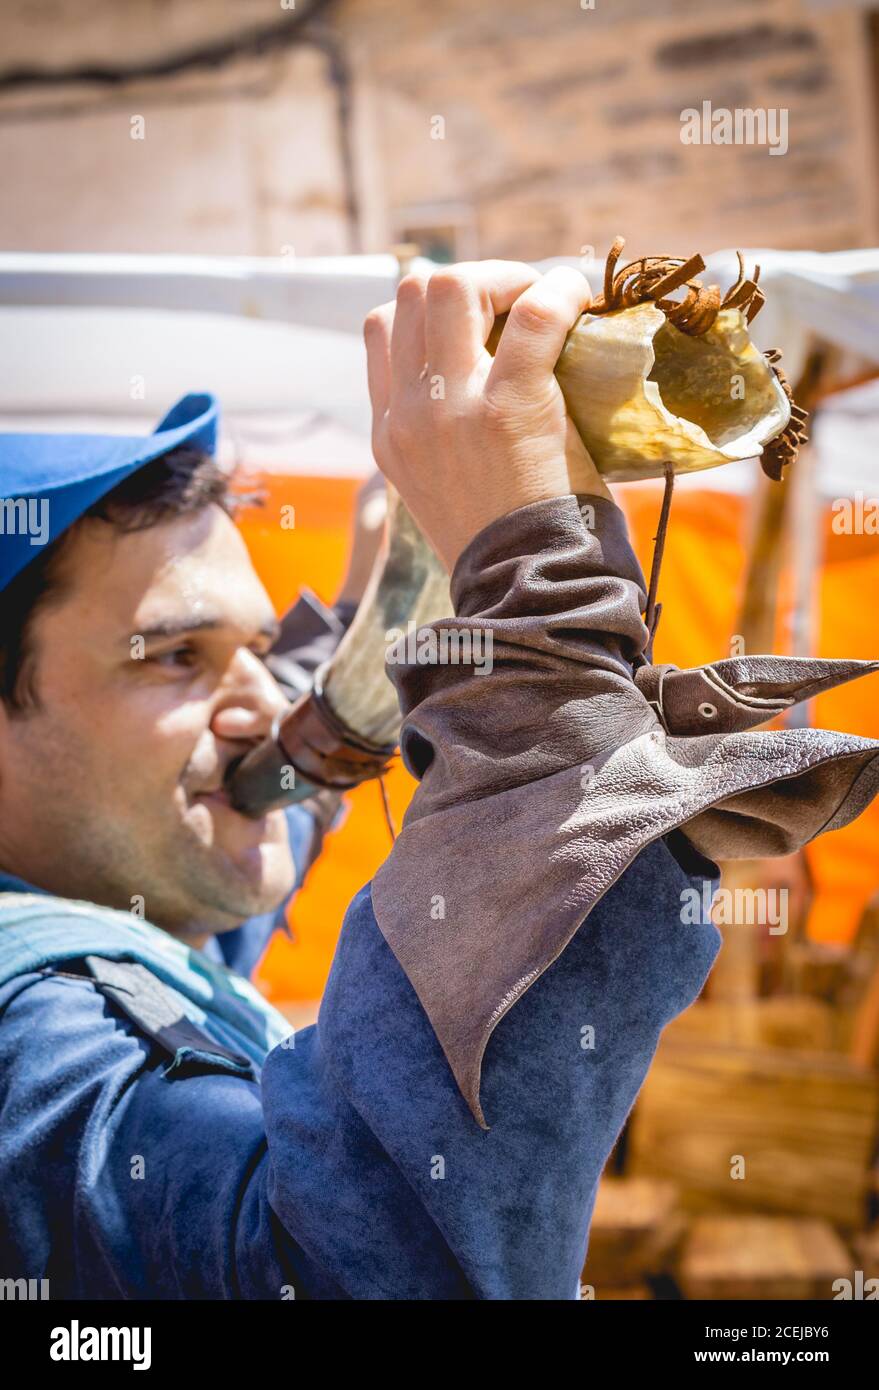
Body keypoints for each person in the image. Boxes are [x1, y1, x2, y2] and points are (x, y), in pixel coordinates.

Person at [0, 261, 876, 1300]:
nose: (257, 706)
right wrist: (538, 657)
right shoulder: (36, 1040)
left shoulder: (117, 891)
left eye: (256, 643)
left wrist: (412, 557)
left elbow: (282, 755)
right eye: (173, 656)